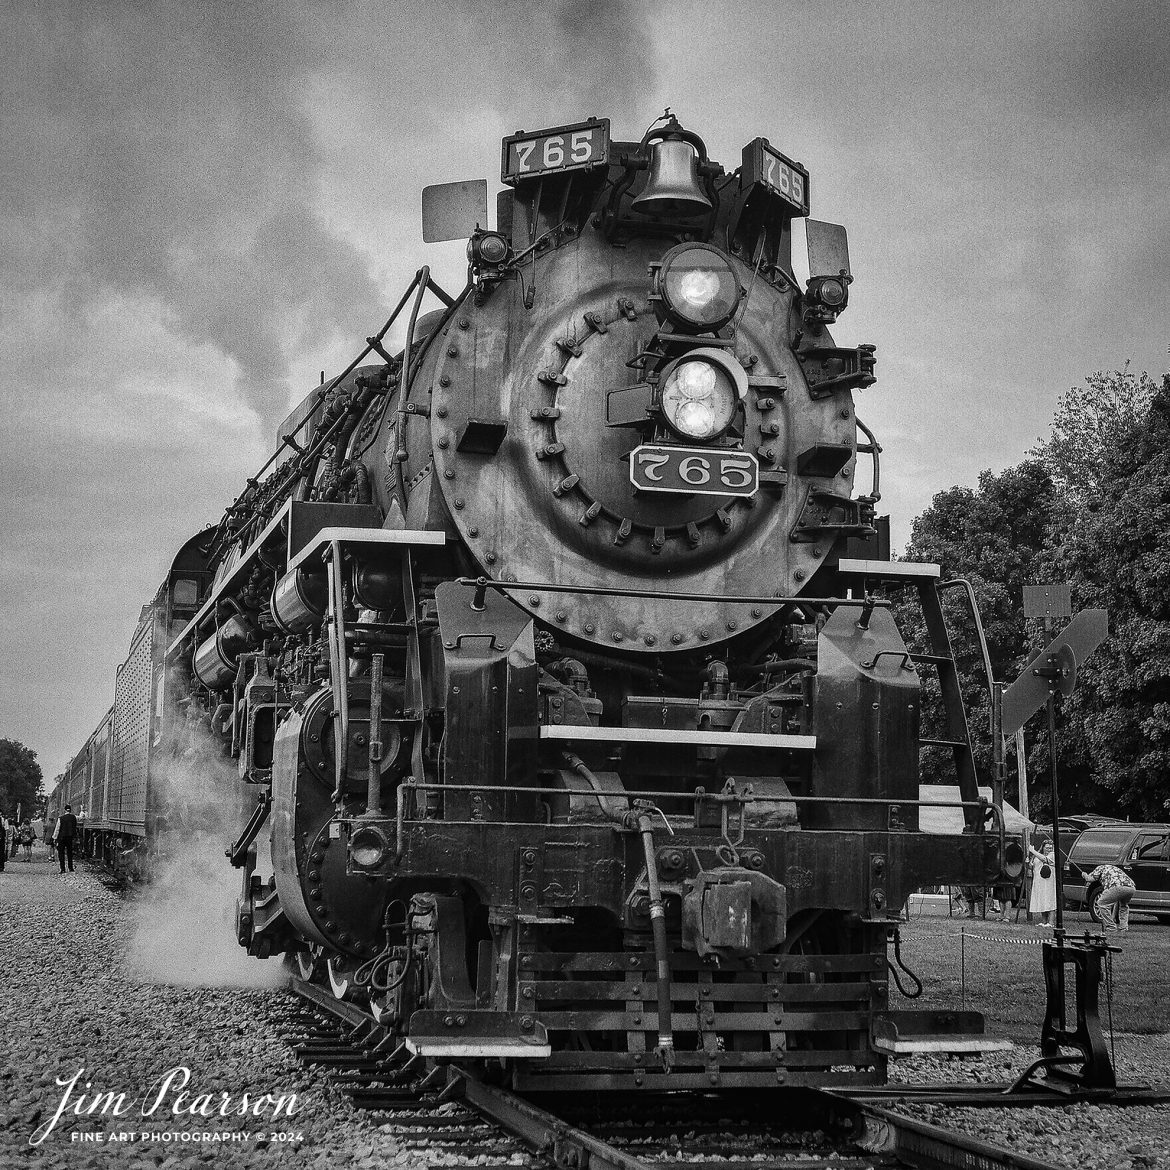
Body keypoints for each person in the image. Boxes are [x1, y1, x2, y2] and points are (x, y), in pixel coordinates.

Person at [1085, 863, 1136, 932]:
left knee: (1101, 903)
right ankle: (1123, 928)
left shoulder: (1099, 868)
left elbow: (1091, 879)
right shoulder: (1113, 868)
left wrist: (1085, 875)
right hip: (1131, 887)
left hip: (1116, 886)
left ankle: (1110, 927)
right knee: (1123, 906)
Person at [1028, 835, 1057, 927]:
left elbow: (1045, 859)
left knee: (1050, 900)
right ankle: (1044, 922)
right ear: (1043, 847)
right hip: (1039, 882)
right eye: (1047, 847)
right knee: (1042, 900)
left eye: (1050, 848)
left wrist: (1033, 851)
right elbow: (1033, 866)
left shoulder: (1052, 855)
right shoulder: (1037, 856)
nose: (1049, 849)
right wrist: (1029, 863)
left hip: (1048, 882)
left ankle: (1051, 922)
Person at [53, 805, 78, 874]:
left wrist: (54, 837)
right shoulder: (73, 817)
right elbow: (75, 827)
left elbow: (57, 828)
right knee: (69, 852)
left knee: (61, 853)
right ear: (70, 810)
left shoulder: (61, 818)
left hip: (61, 837)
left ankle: (63, 869)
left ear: (65, 810)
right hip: (70, 837)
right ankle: (71, 868)